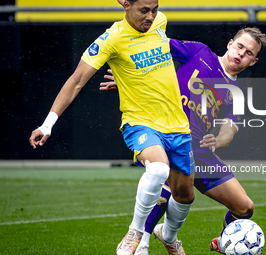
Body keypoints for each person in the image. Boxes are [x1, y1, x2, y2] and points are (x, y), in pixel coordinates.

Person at [28, 1, 196, 255]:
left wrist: (129, 79)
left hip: (178, 125)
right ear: (125, 4)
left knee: (184, 196)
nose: (151, 16)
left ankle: (169, 236)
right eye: (144, 11)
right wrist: (47, 123)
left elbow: (150, 68)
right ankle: (135, 233)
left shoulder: (160, 22)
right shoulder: (111, 39)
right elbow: (76, 81)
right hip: (140, 122)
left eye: (155, 9)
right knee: (159, 168)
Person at [100, 27, 266, 254]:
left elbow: (230, 129)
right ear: (230, 43)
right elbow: (153, 47)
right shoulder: (199, 52)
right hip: (172, 135)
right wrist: (129, 80)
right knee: (166, 183)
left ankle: (224, 241)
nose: (241, 53)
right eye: (240, 46)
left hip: (202, 151)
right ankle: (141, 242)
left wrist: (218, 140)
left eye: (248, 53)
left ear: (253, 61)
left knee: (245, 208)